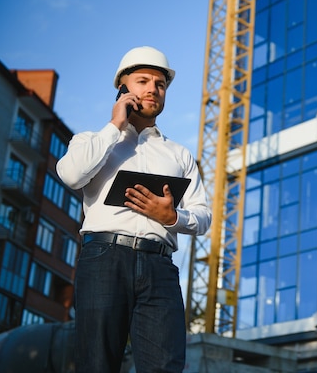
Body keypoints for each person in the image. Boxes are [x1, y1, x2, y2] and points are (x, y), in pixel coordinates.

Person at [57, 46, 211, 373]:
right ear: (123, 88)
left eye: (160, 84)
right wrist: (115, 125)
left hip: (160, 267)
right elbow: (70, 175)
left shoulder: (179, 154)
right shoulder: (90, 140)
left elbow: (203, 216)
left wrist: (173, 217)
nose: (153, 89)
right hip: (104, 259)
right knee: (97, 363)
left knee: (165, 366)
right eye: (143, 81)